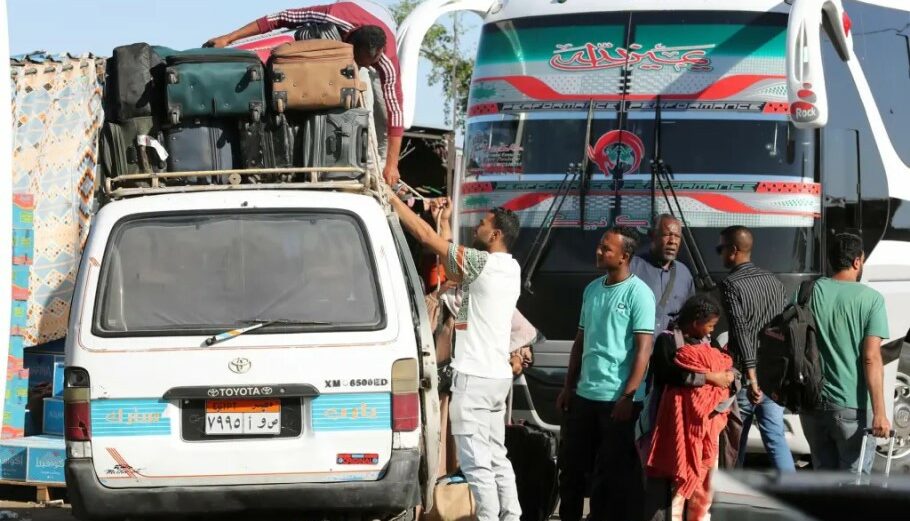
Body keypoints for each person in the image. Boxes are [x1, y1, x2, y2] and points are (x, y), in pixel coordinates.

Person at [387, 189, 522, 521]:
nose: (477, 225)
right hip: (497, 379)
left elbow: (425, 237)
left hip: (475, 379)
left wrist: (391, 198)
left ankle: (490, 518)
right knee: (496, 457)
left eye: (484, 223)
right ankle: (512, 516)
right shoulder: (510, 267)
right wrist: (444, 222)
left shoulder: (482, 263)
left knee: (476, 462)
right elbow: (451, 263)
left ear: (497, 234)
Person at [205, 2, 404, 186]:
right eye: (359, 62)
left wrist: (392, 165)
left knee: (374, 107)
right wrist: (228, 38)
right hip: (339, 37)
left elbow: (396, 110)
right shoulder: (333, 15)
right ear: (348, 40)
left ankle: (376, 170)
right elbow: (277, 19)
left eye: (365, 64)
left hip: (382, 31)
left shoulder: (387, 60)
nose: (361, 67)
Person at [556, 227, 656, 521]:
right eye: (600, 246)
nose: (599, 252)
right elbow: (580, 342)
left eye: (606, 249)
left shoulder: (640, 294)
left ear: (625, 256)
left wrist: (628, 396)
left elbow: (643, 351)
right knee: (571, 470)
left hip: (618, 403)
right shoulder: (592, 289)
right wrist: (568, 387)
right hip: (585, 397)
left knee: (610, 479)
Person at [799, 232, 891, 474]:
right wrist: (880, 413)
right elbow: (871, 357)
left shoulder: (808, 291)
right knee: (853, 486)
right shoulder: (871, 300)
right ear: (857, 261)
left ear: (830, 260)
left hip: (811, 403)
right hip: (852, 407)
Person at [641, 296, 735, 521]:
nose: (712, 330)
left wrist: (728, 376)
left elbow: (724, 363)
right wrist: (710, 377)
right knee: (676, 478)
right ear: (695, 322)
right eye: (710, 325)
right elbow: (668, 374)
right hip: (675, 423)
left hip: (705, 425)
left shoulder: (706, 342)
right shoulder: (667, 340)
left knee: (704, 478)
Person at [716, 226, 795, 472]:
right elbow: (782, 330)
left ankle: (731, 499)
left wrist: (751, 379)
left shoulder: (730, 284)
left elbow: (741, 331)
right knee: (775, 438)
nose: (720, 254)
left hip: (745, 376)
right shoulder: (774, 282)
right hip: (773, 375)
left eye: (721, 248)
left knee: (735, 441)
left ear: (734, 250)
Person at [631, 214, 696, 334]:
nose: (672, 241)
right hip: (637, 346)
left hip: (670, 349)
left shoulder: (684, 274)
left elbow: (689, 316)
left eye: (677, 236)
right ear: (652, 236)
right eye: (667, 235)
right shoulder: (632, 267)